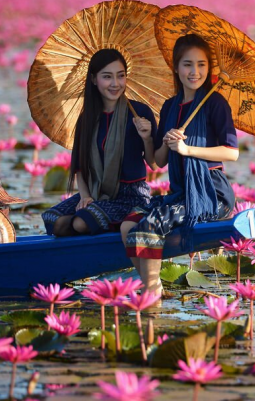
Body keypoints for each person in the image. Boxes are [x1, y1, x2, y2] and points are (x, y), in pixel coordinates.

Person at [120, 34, 239, 295]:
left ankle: (151, 296)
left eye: (201, 64)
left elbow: (232, 153)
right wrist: (151, 139)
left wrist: (188, 150)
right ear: (176, 67)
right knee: (128, 225)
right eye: (187, 64)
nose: (194, 72)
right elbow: (158, 161)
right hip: (180, 193)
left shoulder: (215, 103)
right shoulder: (170, 106)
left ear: (209, 68)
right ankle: (155, 287)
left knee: (151, 224)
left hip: (211, 194)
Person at [42, 49, 157, 237]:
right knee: (53, 220)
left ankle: (104, 225)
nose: (115, 84)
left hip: (130, 197)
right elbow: (80, 167)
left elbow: (153, 162)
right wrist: (86, 196)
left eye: (121, 76)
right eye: (107, 77)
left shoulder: (139, 112)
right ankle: (92, 229)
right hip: (96, 191)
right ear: (94, 79)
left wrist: (147, 138)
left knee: (81, 222)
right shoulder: (86, 118)